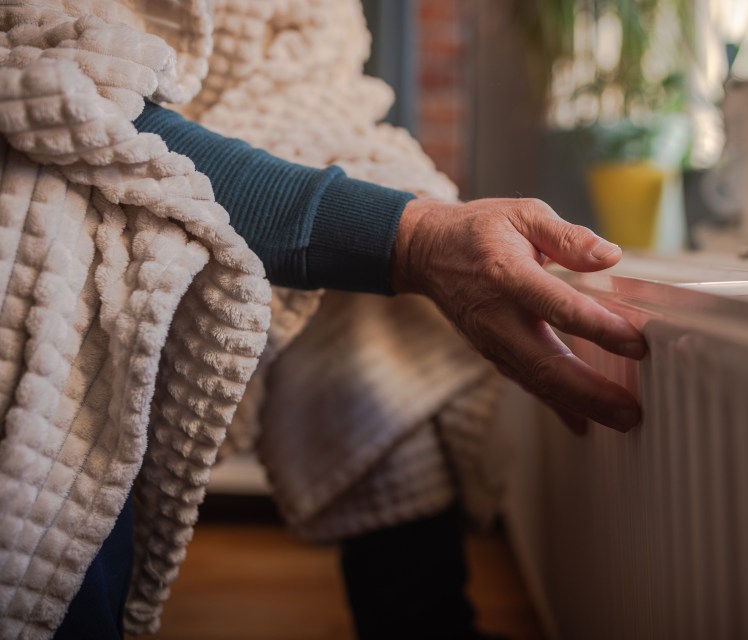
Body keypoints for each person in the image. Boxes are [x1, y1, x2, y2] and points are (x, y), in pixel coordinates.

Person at [0, 4, 643, 639]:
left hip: (225, 151)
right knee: (56, 249)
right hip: (78, 175)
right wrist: (408, 237)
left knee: (382, 306)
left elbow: (326, 101)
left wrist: (414, 219)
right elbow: (53, 86)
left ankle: (417, 613)